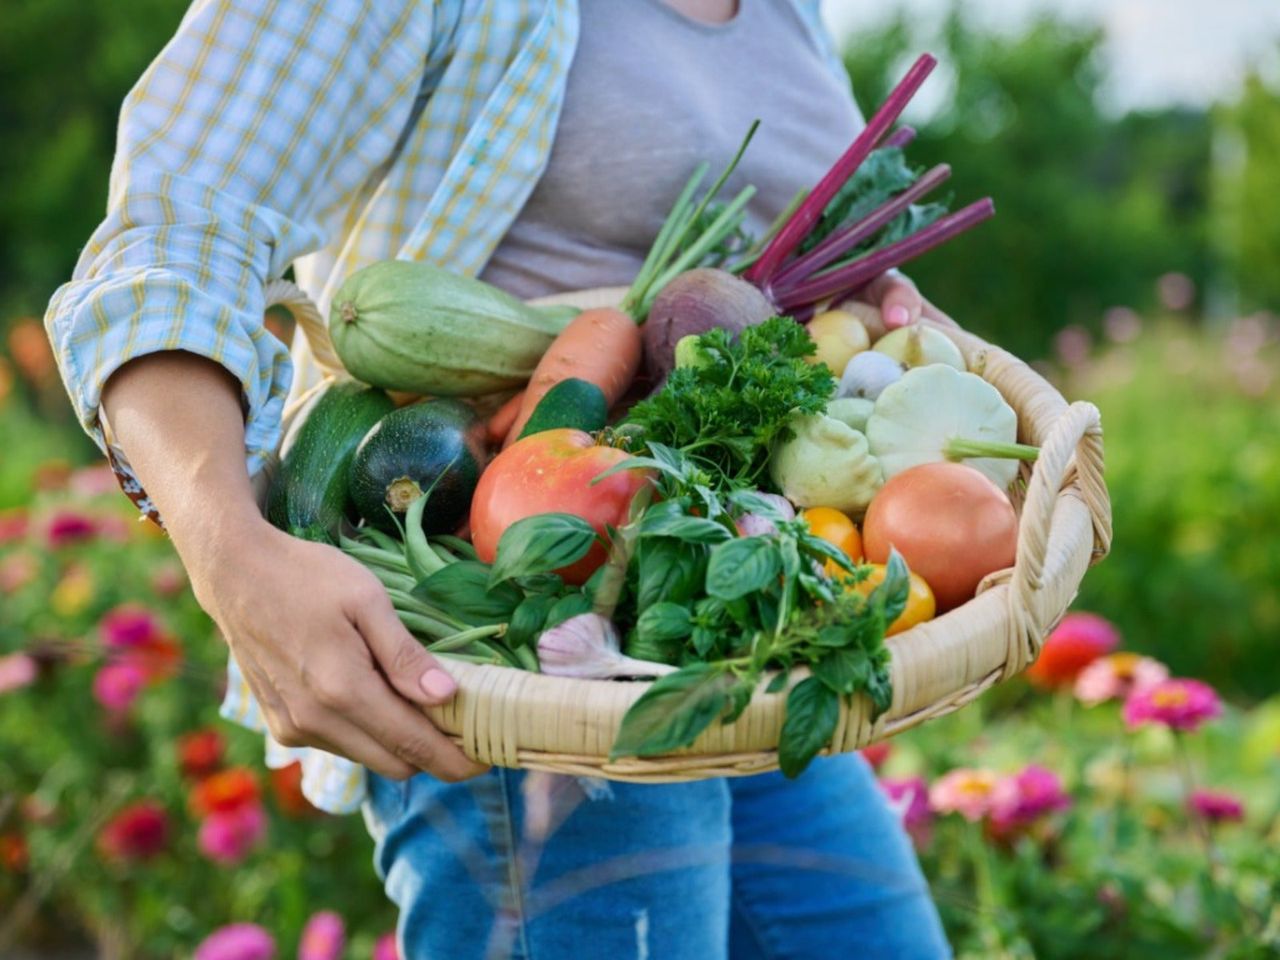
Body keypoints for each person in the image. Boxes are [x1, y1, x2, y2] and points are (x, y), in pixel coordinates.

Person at [46, 0, 954, 956]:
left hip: (727, 603)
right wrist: (229, 552)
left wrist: (871, 302)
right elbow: (169, 237)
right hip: (518, 634)